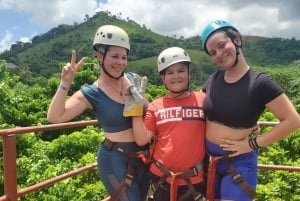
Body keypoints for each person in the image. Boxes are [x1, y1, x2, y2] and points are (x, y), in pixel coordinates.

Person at [47, 25, 150, 201]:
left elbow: (147, 113)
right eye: (115, 56)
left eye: (124, 57)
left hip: (142, 156)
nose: (120, 62)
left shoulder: (134, 80)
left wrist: (140, 99)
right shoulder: (92, 93)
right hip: (114, 159)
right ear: (100, 57)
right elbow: (55, 117)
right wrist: (65, 83)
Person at [200, 20, 300, 201]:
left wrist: (253, 143)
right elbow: (198, 108)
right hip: (210, 162)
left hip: (238, 162)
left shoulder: (260, 83)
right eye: (213, 53)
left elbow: (293, 120)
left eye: (222, 46)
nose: (219, 54)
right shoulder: (213, 79)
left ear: (236, 39)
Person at [131, 47, 207, 201]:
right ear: (162, 78)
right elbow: (142, 139)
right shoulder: (156, 106)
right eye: (169, 73)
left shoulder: (204, 100)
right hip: (161, 180)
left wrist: (248, 127)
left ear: (189, 73)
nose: (176, 76)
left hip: (193, 182)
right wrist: (134, 108)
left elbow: (220, 124)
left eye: (180, 71)